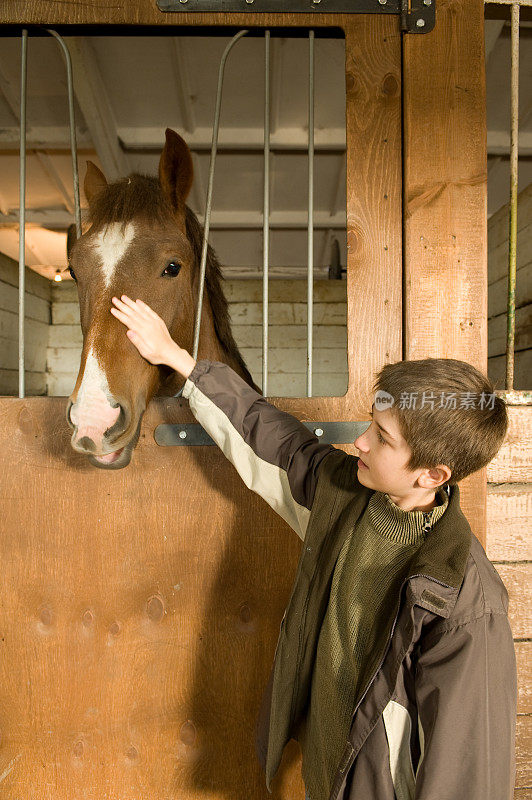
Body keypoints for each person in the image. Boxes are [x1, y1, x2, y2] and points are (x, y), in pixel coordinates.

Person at [110, 294, 517, 800]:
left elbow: (467, 770)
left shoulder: (465, 602)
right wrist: (180, 360)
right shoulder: (344, 497)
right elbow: (274, 439)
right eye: (370, 424)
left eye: (383, 438)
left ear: (433, 474)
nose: (361, 442)